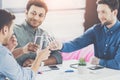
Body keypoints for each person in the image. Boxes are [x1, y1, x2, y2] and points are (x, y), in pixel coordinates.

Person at [49, 0, 120, 70]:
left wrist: (99, 61)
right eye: (98, 12)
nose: (100, 16)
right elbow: (76, 43)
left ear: (114, 12)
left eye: (104, 12)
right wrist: (61, 45)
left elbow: (118, 64)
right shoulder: (96, 30)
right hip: (98, 73)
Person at [0, 9, 50, 80]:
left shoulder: (3, 53)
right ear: (5, 30)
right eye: (11, 29)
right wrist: (39, 58)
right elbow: (26, 78)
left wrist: (22, 50)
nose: (12, 32)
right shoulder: (3, 54)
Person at [13, 0, 62, 67]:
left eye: (40, 15)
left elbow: (58, 57)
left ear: (44, 17)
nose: (36, 18)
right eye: (33, 13)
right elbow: (4, 55)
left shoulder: (44, 34)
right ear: (26, 12)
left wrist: (38, 62)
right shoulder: (13, 30)